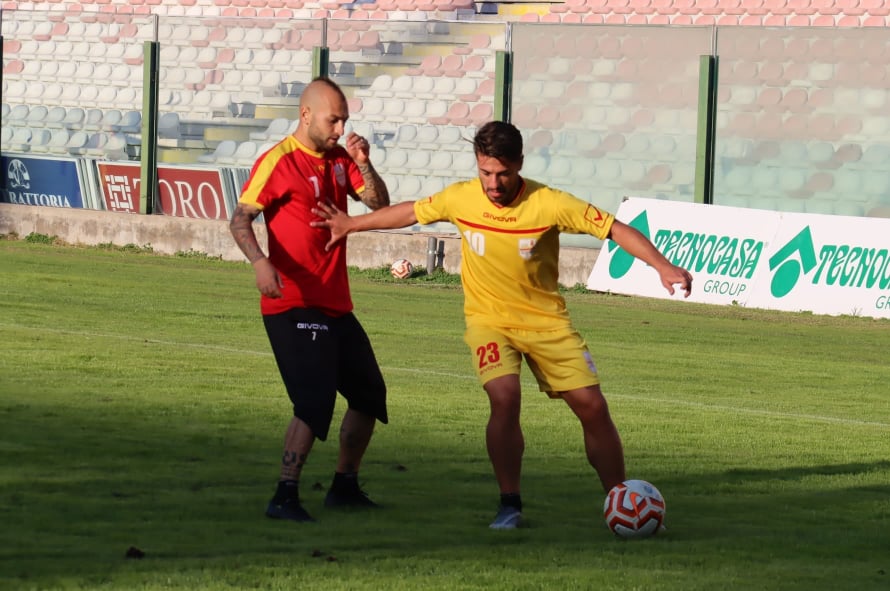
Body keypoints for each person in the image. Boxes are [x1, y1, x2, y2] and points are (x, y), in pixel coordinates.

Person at [310, 120, 693, 530]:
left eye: (502, 174)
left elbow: (614, 228)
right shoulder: (461, 198)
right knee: (505, 398)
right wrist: (352, 223)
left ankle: (623, 502)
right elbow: (410, 212)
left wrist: (662, 266)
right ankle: (509, 504)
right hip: (489, 322)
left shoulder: (549, 202)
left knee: (593, 408)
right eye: (485, 172)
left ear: (520, 165)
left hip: (547, 323)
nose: (493, 183)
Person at [229, 77, 391, 523]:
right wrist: (260, 262)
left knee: (369, 395)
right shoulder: (277, 161)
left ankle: (344, 486)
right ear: (306, 115)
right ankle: (284, 496)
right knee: (315, 401)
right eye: (333, 119)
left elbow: (379, 205)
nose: (340, 128)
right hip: (292, 302)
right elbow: (240, 219)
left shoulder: (342, 158)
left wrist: (365, 163)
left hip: (336, 302)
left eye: (344, 120)